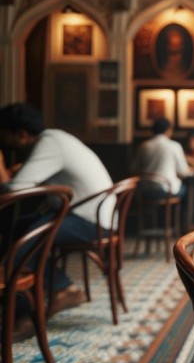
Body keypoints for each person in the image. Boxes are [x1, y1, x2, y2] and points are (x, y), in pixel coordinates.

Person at [0, 103, 115, 319]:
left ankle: (22, 317)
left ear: (22, 135)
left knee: (21, 246)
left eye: (5, 136)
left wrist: (3, 171)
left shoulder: (49, 143)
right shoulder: (54, 139)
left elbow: (15, 190)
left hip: (90, 220)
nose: (4, 142)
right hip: (92, 215)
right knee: (18, 228)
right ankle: (62, 287)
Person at [132, 117, 192, 200]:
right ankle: (173, 213)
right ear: (168, 130)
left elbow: (133, 168)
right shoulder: (174, 146)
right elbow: (184, 172)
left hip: (145, 189)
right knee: (185, 189)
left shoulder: (144, 146)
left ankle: (153, 213)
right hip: (166, 190)